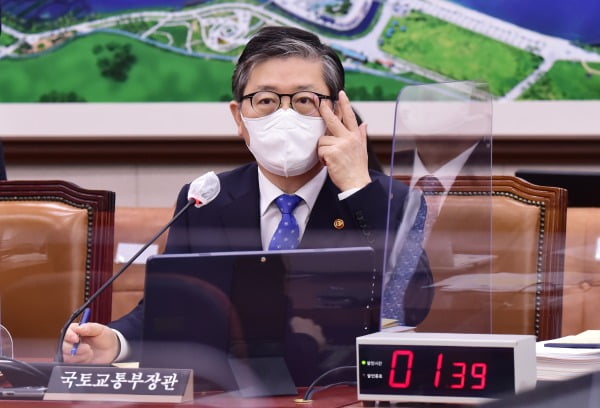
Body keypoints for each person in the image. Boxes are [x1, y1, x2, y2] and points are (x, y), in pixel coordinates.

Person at [62, 26, 432, 367]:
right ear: (240, 118)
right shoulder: (205, 199)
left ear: (335, 111)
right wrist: (116, 340)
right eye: (266, 100)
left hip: (339, 389)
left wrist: (356, 187)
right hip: (230, 392)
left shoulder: (389, 200)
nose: (285, 115)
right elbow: (174, 307)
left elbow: (413, 305)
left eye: (304, 100)